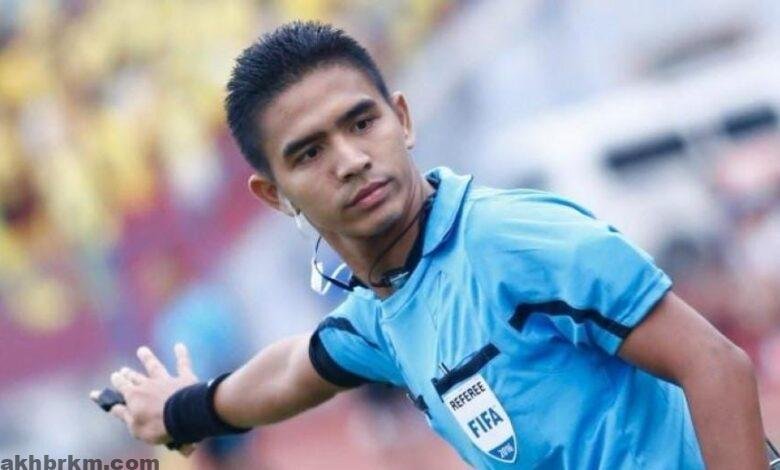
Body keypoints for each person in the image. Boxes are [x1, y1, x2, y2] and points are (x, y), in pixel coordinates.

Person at [92, 21, 769, 469]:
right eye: (309, 152)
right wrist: (184, 409)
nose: (351, 159)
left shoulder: (511, 240)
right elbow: (293, 370)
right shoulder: (383, 312)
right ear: (275, 195)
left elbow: (716, 365)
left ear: (403, 120)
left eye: (362, 122)